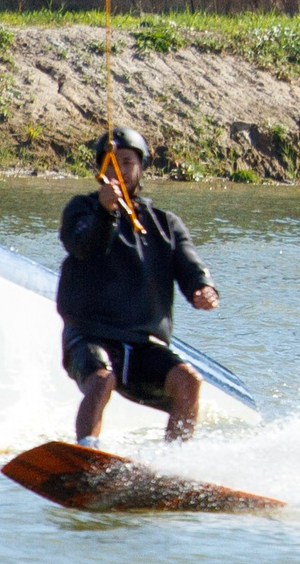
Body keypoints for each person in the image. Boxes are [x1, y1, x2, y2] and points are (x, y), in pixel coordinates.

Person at [57, 126, 220, 443]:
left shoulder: (165, 224)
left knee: (189, 382)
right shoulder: (81, 210)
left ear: (141, 167)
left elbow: (189, 265)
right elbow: (84, 248)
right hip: (90, 336)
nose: (120, 169)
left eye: (127, 161)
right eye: (111, 162)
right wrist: (105, 212)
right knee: (102, 380)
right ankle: (88, 450)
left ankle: (175, 463)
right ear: (100, 170)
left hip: (144, 347)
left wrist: (203, 288)